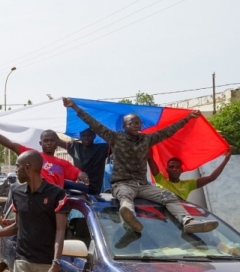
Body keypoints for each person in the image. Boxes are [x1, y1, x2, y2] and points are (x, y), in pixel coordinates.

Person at [61, 97, 217, 236]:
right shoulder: (115, 138)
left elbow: (168, 131)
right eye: (132, 123)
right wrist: (74, 106)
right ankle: (129, 216)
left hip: (143, 185)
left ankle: (188, 222)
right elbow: (93, 123)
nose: (136, 125)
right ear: (124, 126)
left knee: (169, 196)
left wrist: (187, 118)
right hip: (122, 184)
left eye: (138, 122)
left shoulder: (147, 139)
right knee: (125, 195)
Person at [0, 121, 88, 188]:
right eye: (46, 140)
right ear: (41, 143)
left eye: (52, 140)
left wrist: (82, 174)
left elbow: (78, 174)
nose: (49, 143)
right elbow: (11, 145)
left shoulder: (63, 164)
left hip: (54, 206)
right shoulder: (33, 156)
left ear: (57, 143)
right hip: (35, 202)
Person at [149, 148, 232, 201]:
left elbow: (211, 177)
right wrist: (148, 141)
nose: (174, 169)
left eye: (177, 167)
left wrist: (226, 159)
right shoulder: (161, 180)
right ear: (167, 170)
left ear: (181, 170)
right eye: (171, 167)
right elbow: (150, 159)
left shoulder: (188, 184)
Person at [57, 128, 109, 195]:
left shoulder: (102, 148)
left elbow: (116, 143)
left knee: (60, 182)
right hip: (77, 185)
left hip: (92, 188)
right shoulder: (75, 147)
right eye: (83, 136)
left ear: (94, 136)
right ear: (80, 137)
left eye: (89, 135)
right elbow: (57, 140)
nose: (86, 138)